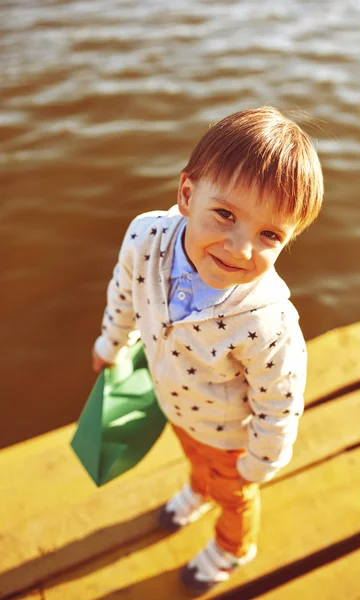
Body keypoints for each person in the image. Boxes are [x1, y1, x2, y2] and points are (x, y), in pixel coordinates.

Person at [92, 105, 324, 592]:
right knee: (196, 461)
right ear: (186, 194)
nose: (240, 248)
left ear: (290, 240)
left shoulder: (268, 321)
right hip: (176, 406)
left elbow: (280, 399)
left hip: (232, 438)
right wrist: (112, 342)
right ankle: (198, 490)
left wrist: (259, 462)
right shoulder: (145, 237)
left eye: (269, 235)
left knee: (235, 497)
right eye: (225, 214)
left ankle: (232, 548)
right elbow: (124, 290)